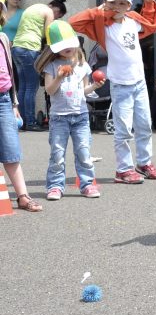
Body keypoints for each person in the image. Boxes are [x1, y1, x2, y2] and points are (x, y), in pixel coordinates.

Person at [69, 0, 156, 184]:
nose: (118, 7)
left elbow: (152, 24)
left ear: (128, 5)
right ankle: (123, 169)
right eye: (113, 2)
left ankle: (144, 163)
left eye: (122, 3)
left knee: (145, 125)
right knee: (123, 130)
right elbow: (74, 23)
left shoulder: (132, 20)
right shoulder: (102, 24)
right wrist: (100, 11)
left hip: (139, 83)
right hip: (121, 85)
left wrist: (148, 4)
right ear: (105, 3)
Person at [35, 20, 104, 200]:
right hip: (59, 118)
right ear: (54, 48)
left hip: (80, 116)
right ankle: (55, 186)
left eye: (70, 44)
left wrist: (95, 86)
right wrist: (58, 77)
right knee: (57, 154)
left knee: (84, 152)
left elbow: (84, 91)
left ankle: (87, 184)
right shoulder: (51, 66)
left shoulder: (82, 65)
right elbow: (50, 90)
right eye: (62, 46)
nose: (67, 48)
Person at [0, 0, 42, 212]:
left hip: (4, 100)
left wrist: (15, 103)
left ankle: (23, 197)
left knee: (11, 150)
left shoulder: (4, 38)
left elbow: (9, 74)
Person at [12, 0, 67, 131]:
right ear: (54, 8)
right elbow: (49, 34)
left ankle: (22, 121)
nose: (55, 18)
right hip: (30, 48)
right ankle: (30, 122)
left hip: (17, 48)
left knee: (23, 86)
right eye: (57, 15)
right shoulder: (48, 12)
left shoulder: (32, 8)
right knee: (31, 87)